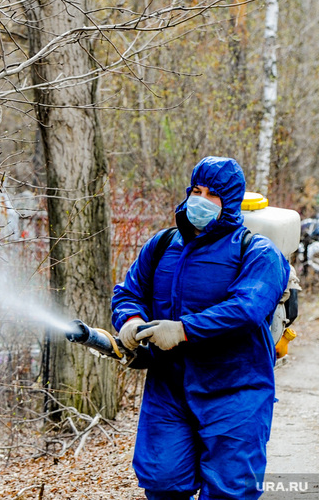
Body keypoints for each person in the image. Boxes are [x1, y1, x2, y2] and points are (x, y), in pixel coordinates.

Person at [111, 156, 290, 500]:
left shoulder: (258, 252)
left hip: (236, 391)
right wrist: (130, 320)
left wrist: (182, 330)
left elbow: (248, 308)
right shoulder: (163, 245)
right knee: (163, 483)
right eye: (197, 190)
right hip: (169, 389)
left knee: (229, 491)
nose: (201, 200)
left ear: (232, 202)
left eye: (213, 194)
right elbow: (129, 291)